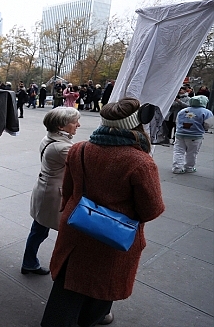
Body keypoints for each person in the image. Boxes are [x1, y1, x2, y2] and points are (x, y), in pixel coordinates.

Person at [41, 98, 165, 326]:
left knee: (68, 282)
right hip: (113, 235)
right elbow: (151, 210)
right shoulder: (141, 162)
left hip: (76, 225)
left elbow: (68, 190)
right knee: (103, 283)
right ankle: (91, 318)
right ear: (136, 125)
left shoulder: (79, 149)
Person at [21, 107, 81, 276]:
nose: (78, 125)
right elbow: (85, 165)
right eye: (74, 122)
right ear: (61, 126)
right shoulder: (62, 148)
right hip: (54, 195)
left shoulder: (50, 139)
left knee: (39, 229)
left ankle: (29, 262)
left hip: (46, 190)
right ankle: (57, 267)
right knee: (64, 233)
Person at [172, 95, 213, 174]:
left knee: (178, 151)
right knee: (192, 152)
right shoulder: (206, 112)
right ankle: (189, 167)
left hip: (180, 134)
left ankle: (177, 167)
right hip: (195, 135)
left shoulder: (183, 111)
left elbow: (177, 121)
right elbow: (208, 124)